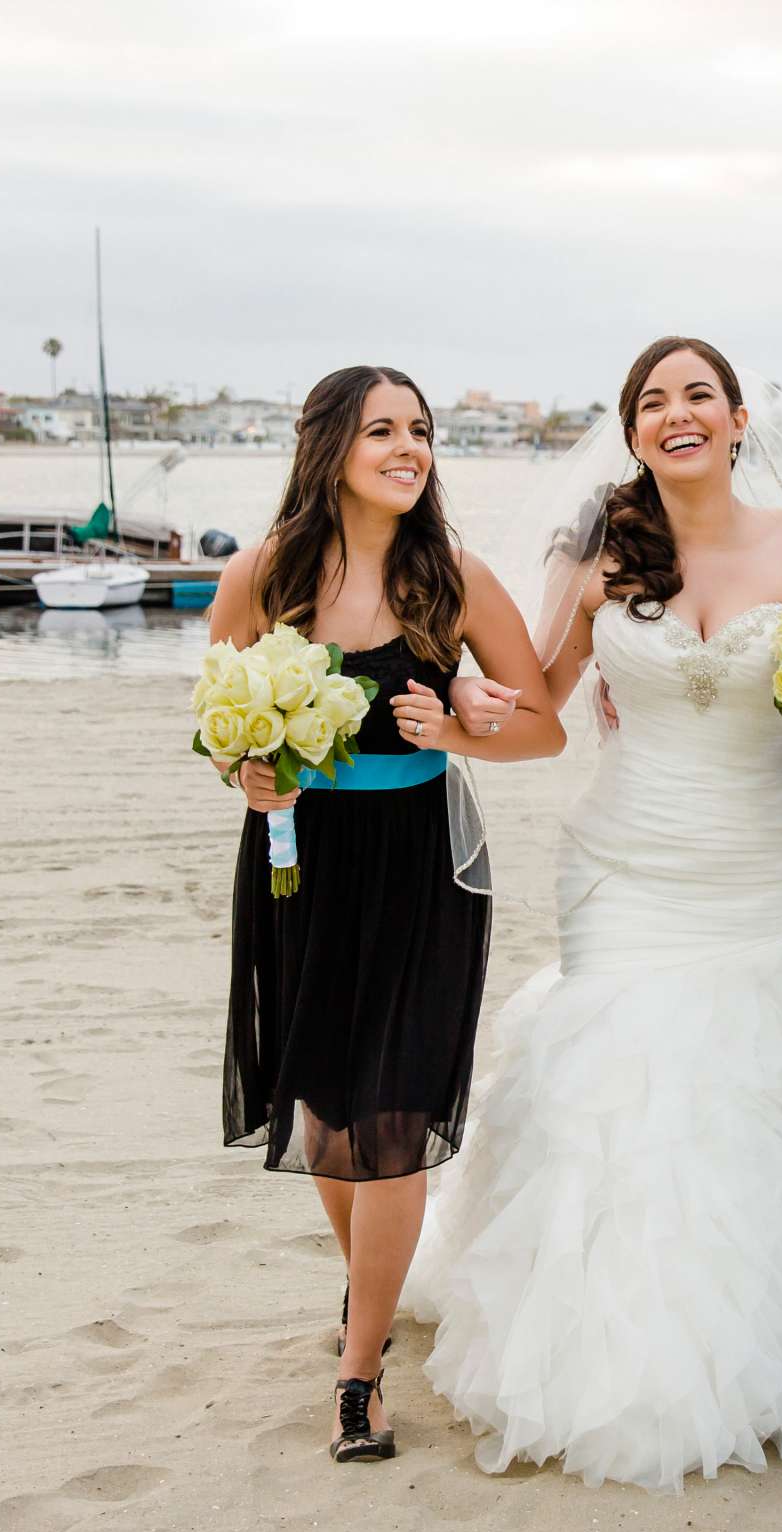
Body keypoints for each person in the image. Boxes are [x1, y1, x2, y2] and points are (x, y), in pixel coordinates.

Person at [405, 337, 782, 1492]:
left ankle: (753, 1322)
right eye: (653, 403)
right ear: (632, 432)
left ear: (735, 421)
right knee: (626, 1087)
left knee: (743, 1093)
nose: (678, 416)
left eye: (698, 397)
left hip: (762, 861)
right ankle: (610, 1343)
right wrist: (461, 716)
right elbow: (542, 718)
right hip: (625, 865)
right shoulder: (597, 557)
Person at [208, 365, 561, 1464]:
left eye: (421, 431)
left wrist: (455, 732)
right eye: (383, 430)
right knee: (324, 1108)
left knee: (393, 1117)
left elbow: (542, 724)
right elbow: (220, 726)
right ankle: (371, 1296)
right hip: (298, 867)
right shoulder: (265, 573)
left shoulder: (451, 576)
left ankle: (359, 1377)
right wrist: (249, 774)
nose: (409, 448)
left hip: (420, 872)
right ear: (329, 449)